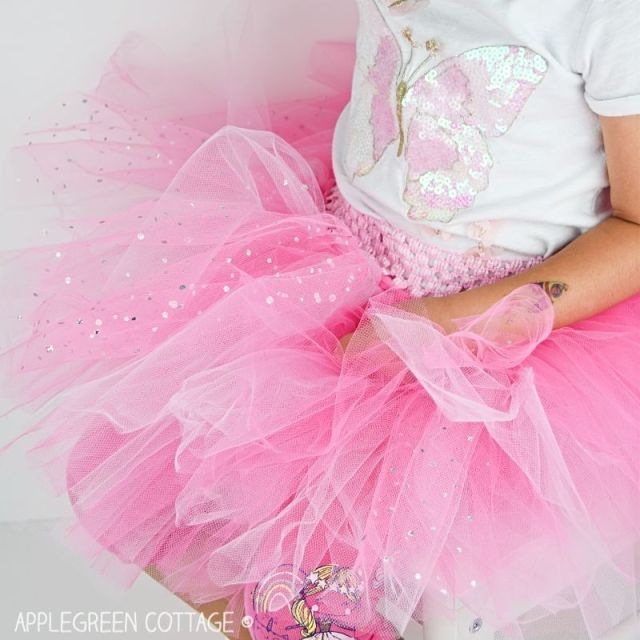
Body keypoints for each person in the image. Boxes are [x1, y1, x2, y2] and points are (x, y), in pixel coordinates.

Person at [1, 1, 639, 639]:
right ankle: (306, 615)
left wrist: (444, 325)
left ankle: (333, 614)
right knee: (122, 475)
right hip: (336, 264)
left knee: (396, 536)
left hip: (489, 328)